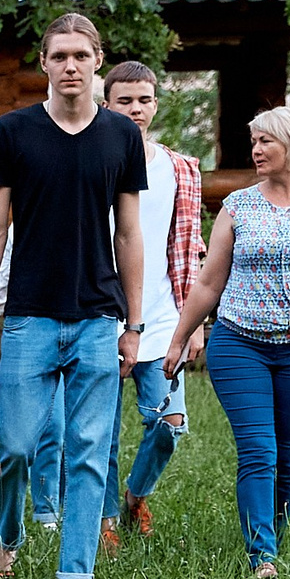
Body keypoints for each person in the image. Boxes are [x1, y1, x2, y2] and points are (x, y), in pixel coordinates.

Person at [0, 12, 147, 579]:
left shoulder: (121, 136)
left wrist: (134, 324)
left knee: (89, 453)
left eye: (81, 56)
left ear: (97, 62)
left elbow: (129, 234)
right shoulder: (14, 131)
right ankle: (7, 541)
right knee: (13, 449)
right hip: (29, 318)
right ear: (43, 63)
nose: (70, 66)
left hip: (97, 317)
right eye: (59, 55)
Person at [165, 104, 290, 578]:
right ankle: (263, 556)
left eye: (265, 142)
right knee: (258, 449)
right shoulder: (238, 206)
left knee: (288, 457)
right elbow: (208, 282)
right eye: (254, 141)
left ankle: (272, 532)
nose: (255, 150)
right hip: (240, 345)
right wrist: (179, 339)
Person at [101, 61, 204, 538]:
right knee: (99, 433)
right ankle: (103, 520)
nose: (135, 109)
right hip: (100, 314)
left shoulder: (180, 168)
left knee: (170, 423)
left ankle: (134, 496)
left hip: (163, 315)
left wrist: (194, 320)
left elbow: (190, 245)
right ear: (106, 105)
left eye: (143, 100)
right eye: (124, 101)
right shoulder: (93, 161)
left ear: (155, 104)